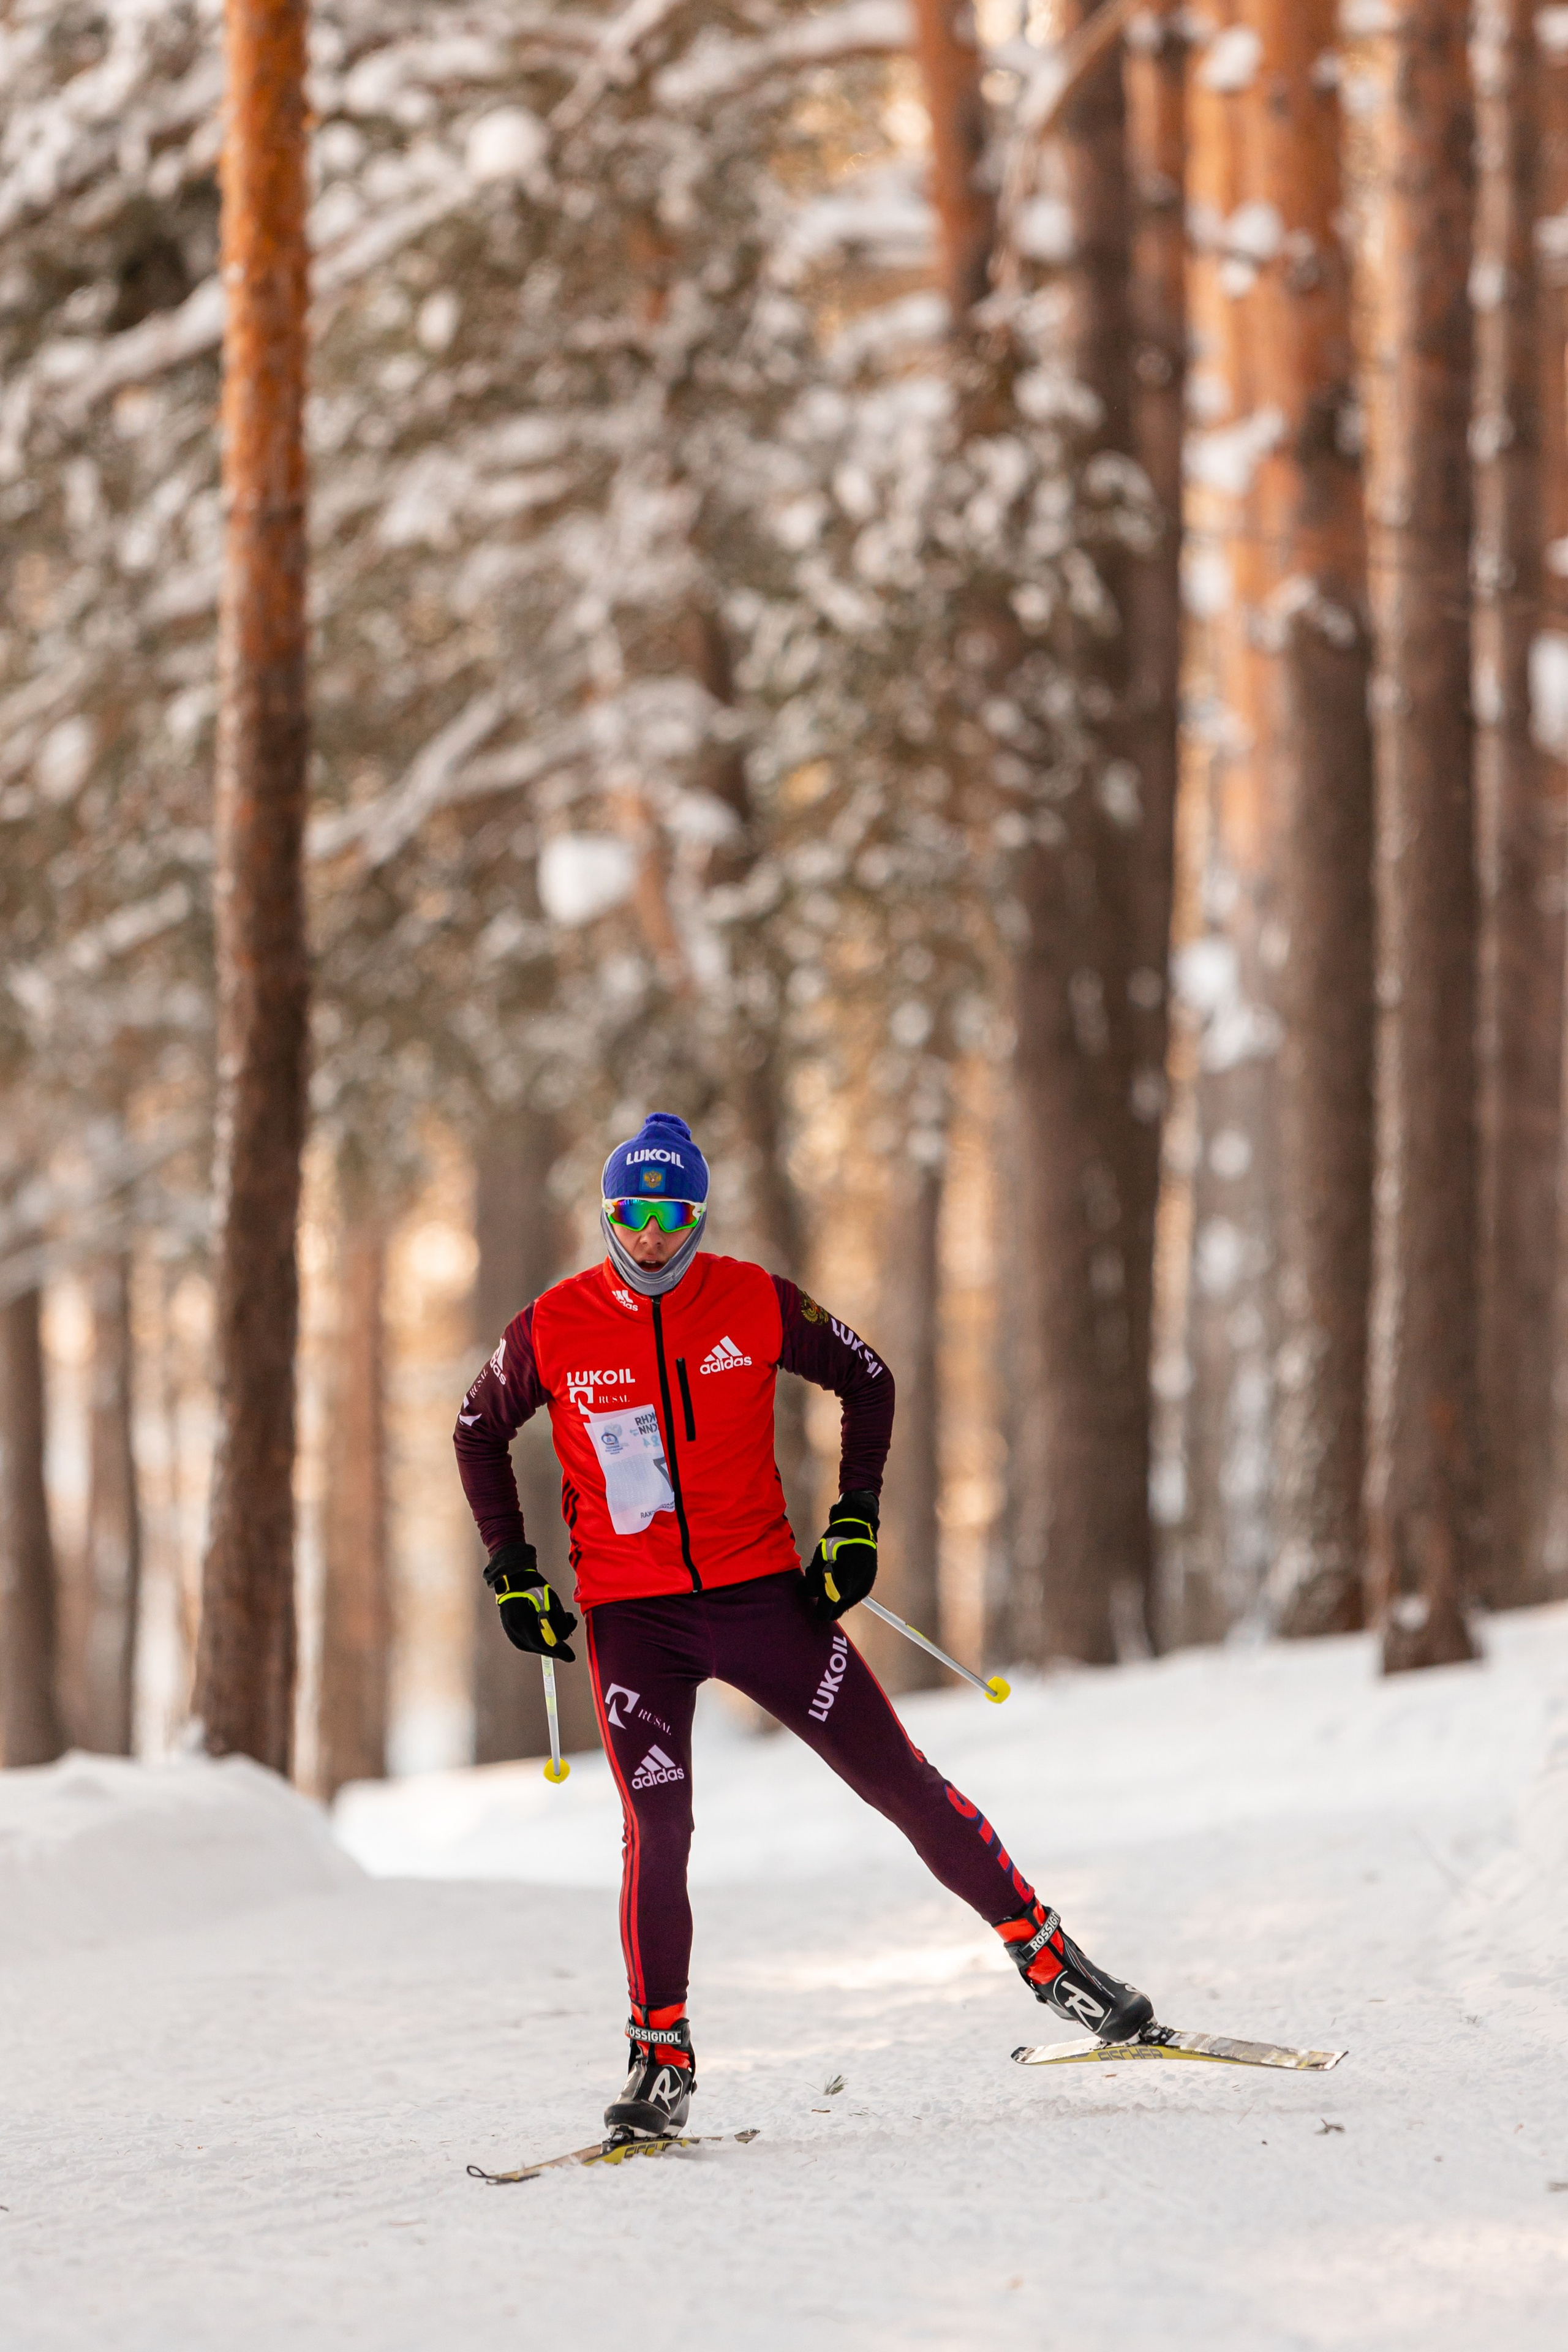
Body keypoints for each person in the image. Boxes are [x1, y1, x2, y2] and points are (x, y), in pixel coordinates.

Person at [454, 1111, 1154, 2139]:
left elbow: (868, 1380)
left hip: (761, 1599)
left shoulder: (753, 1300)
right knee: (659, 1828)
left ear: (697, 1215)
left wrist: (856, 1519)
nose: (651, 1236)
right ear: (607, 1216)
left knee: (898, 1779)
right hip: (634, 1619)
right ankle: (661, 2058)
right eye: (631, 1215)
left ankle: (1056, 1965)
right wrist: (511, 1567)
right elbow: (477, 1432)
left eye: (671, 1213)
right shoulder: (555, 1324)